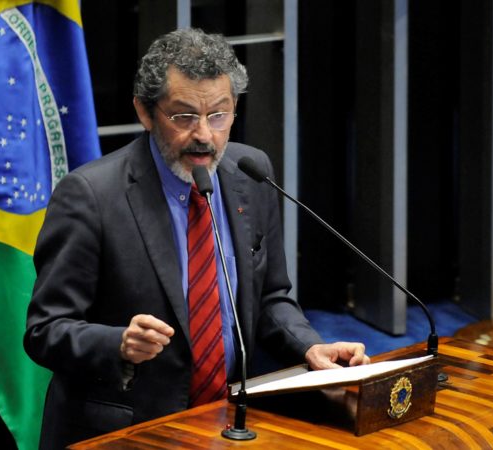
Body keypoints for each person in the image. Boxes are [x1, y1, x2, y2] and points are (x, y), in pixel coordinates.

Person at [24, 27, 370, 449]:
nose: (204, 134)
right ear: (145, 112)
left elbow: (269, 298)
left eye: (219, 115)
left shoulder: (250, 173)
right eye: (184, 117)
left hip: (226, 421)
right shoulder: (90, 195)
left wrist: (310, 347)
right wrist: (118, 343)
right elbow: (45, 330)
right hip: (128, 429)